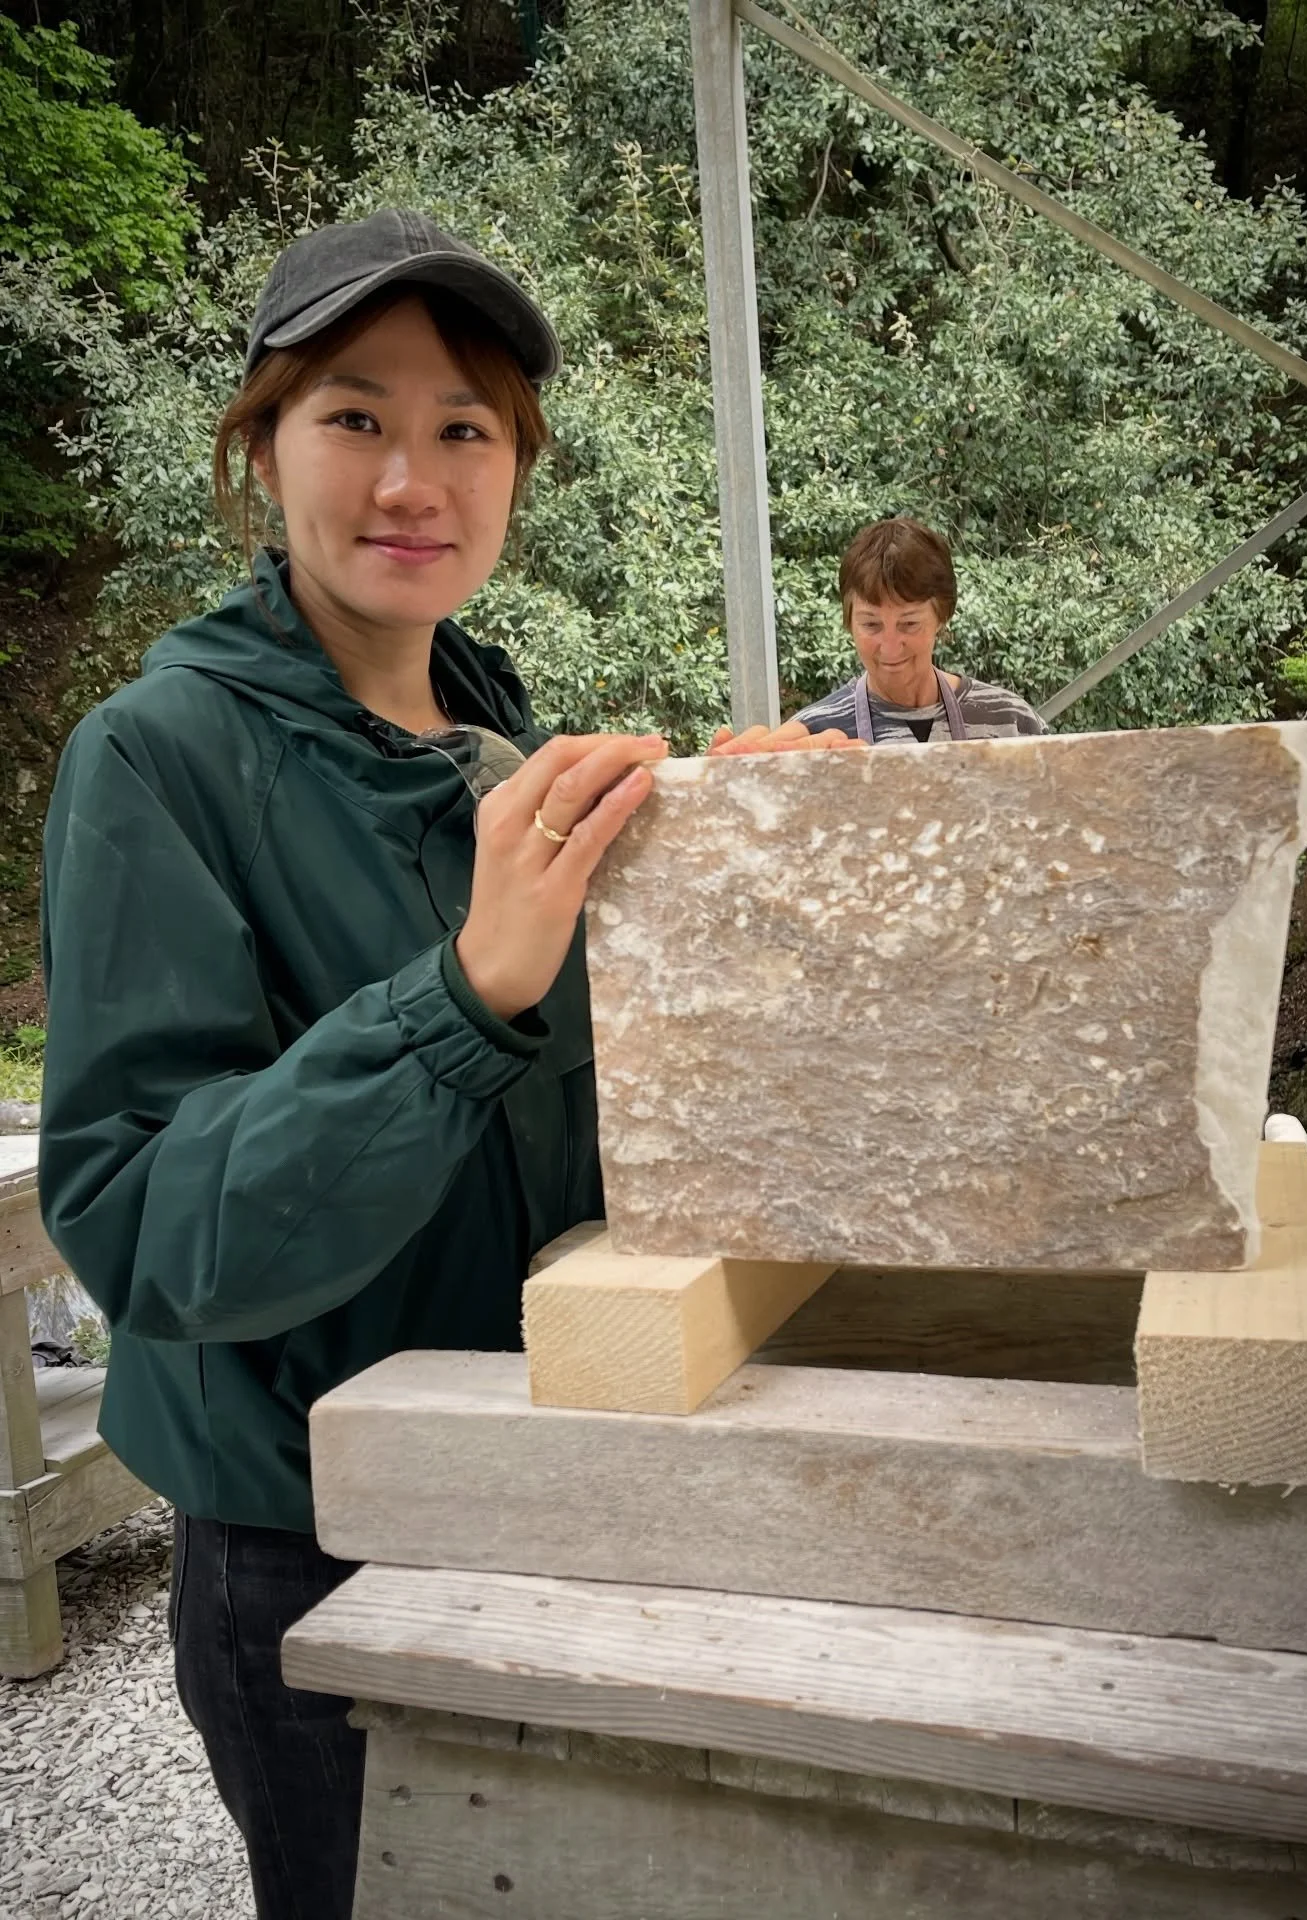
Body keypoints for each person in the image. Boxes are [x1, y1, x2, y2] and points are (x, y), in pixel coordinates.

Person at [36, 209, 847, 1920]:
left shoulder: (500, 746)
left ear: (514, 473)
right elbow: (148, 1235)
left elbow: (615, 1118)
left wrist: (749, 864)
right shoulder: (159, 758)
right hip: (310, 1533)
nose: (413, 477)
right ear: (259, 446)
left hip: (538, 1463)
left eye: (463, 428)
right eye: (355, 415)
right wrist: (463, 998)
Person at [793, 516, 1047, 744]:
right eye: (871, 624)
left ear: (942, 615)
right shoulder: (813, 738)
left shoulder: (1011, 724)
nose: (890, 646)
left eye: (909, 624)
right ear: (849, 621)